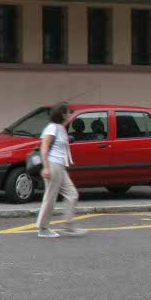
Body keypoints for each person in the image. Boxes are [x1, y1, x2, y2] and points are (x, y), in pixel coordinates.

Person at [36, 102, 86, 238]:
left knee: (72, 194)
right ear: (62, 114)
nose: (70, 114)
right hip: (53, 165)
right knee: (50, 198)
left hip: (60, 166)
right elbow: (44, 148)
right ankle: (43, 228)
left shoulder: (60, 128)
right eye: (68, 112)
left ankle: (68, 224)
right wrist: (46, 168)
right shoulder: (52, 128)